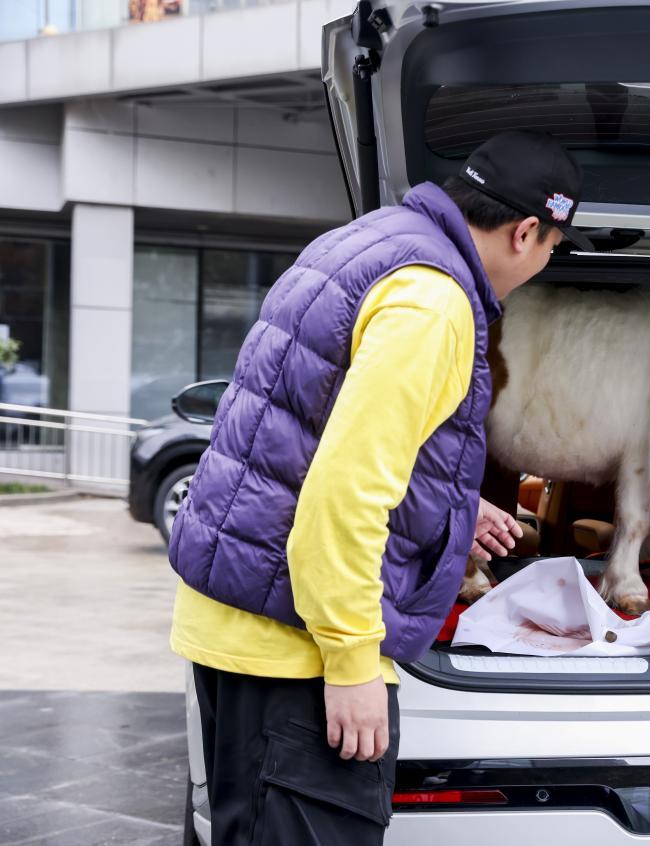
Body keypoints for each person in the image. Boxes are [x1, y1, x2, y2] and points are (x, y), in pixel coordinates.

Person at [167, 130, 593, 844]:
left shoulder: (367, 244)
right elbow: (344, 490)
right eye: (553, 247)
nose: (545, 264)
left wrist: (457, 502)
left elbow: (304, 430)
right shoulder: (434, 305)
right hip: (296, 649)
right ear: (526, 232)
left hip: (239, 624)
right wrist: (353, 662)